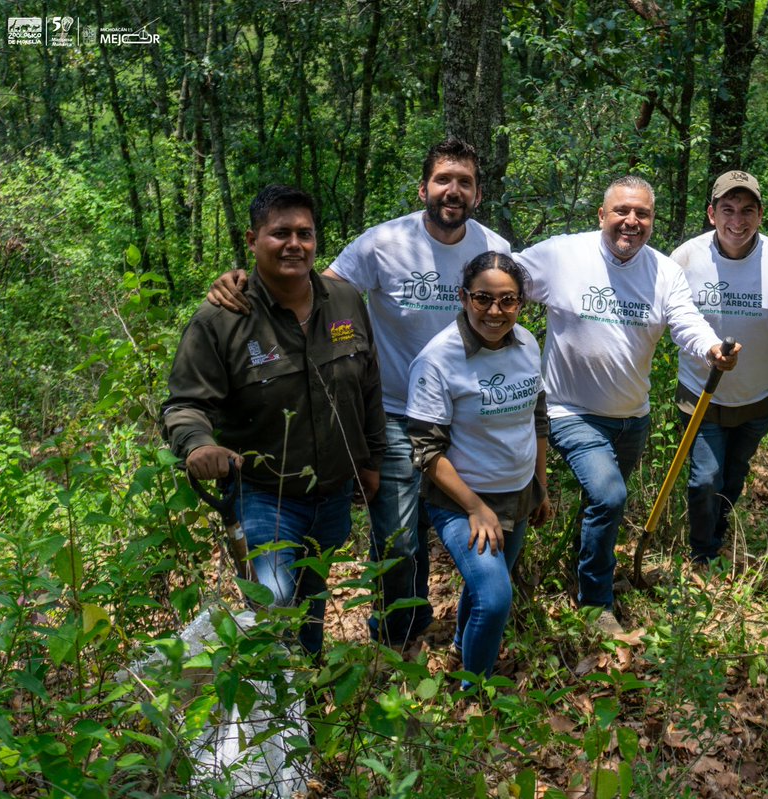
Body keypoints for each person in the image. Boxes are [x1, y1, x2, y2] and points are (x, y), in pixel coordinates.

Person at [206, 139, 510, 647]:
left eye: (465, 182)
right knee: (398, 539)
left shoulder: (493, 247)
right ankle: (396, 636)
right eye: (443, 180)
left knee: (487, 521)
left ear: (478, 193)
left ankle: (475, 627)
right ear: (424, 188)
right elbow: (312, 287)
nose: (453, 190)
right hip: (396, 414)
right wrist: (244, 280)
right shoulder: (383, 243)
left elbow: (527, 294)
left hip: (470, 416)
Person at [162, 184, 387, 657]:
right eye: (280, 233)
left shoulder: (346, 303)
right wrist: (198, 445)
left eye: (304, 233)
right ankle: (272, 712)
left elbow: (367, 386)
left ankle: (302, 708)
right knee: (274, 604)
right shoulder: (221, 319)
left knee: (310, 601)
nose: (294, 244)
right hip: (261, 494)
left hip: (332, 494)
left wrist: (369, 459)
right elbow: (185, 403)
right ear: (252, 239)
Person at [516, 176, 739, 634]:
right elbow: (503, 280)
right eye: (621, 211)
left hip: (632, 417)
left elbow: (685, 322)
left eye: (643, 214)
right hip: (568, 409)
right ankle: (595, 604)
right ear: (602, 215)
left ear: (652, 221)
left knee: (601, 503)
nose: (631, 221)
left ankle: (578, 566)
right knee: (610, 494)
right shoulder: (563, 255)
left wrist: (712, 348)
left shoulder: (663, 271)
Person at [406, 252, 552, 684]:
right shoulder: (438, 359)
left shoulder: (526, 341)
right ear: (463, 297)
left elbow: (537, 415)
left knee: (486, 584)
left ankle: (461, 650)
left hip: (518, 491)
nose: (495, 311)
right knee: (494, 595)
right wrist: (474, 507)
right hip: (462, 500)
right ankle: (477, 693)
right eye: (483, 298)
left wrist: (540, 485)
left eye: (508, 300)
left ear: (521, 303)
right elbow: (427, 451)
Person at [670, 171, 768, 563]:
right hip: (700, 393)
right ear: (711, 213)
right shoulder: (685, 258)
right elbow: (667, 319)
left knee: (733, 476)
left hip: (758, 398)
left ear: (761, 214)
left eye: (747, 210)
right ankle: (702, 555)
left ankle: (718, 530)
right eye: (728, 209)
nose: (738, 220)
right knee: (705, 479)